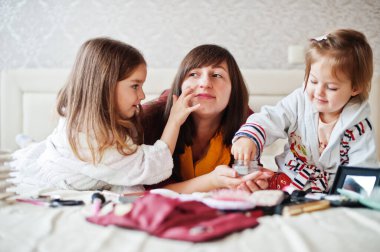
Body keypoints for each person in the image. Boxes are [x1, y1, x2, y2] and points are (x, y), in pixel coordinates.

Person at [8, 37, 199, 195]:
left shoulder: (99, 120)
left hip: (64, 162)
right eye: (135, 86)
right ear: (105, 87)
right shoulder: (91, 137)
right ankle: (29, 145)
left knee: (38, 149)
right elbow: (150, 167)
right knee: (34, 156)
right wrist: (174, 121)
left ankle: (30, 143)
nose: (142, 95)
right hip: (55, 174)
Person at [231, 29, 378, 193]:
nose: (319, 92)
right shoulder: (299, 102)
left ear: (355, 88)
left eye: (331, 87)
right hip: (290, 178)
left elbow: (362, 167)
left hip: (333, 188)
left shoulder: (359, 126)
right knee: (255, 184)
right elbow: (271, 118)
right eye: (313, 81)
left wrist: (350, 197)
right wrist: (248, 137)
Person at [143, 44, 273, 193]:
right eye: (193, 74)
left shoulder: (248, 126)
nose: (204, 84)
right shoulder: (150, 117)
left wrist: (252, 182)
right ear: (180, 84)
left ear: (233, 90)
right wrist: (212, 181)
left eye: (217, 75)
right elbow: (143, 191)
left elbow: (246, 175)